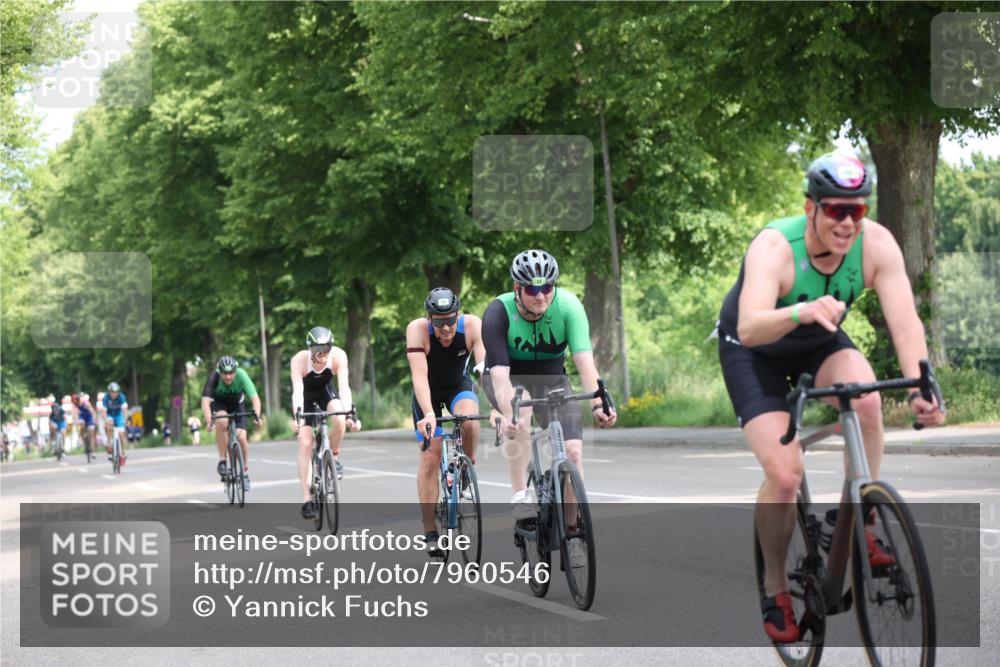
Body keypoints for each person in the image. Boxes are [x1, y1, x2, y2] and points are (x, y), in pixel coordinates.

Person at [716, 152, 947, 643]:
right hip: (754, 349)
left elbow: (906, 322)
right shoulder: (776, 248)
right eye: (836, 210)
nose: (847, 222)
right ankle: (775, 585)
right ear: (811, 208)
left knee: (865, 401)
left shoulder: (877, 245)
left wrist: (922, 385)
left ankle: (860, 516)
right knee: (783, 473)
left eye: (857, 211)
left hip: (818, 339)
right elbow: (751, 326)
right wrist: (799, 310)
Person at [481, 249, 617, 566]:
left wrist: (599, 401)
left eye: (547, 288)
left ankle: (573, 532)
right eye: (532, 289)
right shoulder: (498, 312)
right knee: (521, 410)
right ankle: (520, 494)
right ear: (517, 289)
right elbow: (499, 376)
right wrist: (508, 411)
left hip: (554, 380)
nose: (541, 296)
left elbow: (585, 363)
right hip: (508, 379)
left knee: (573, 452)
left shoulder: (568, 306)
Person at [406, 287, 486, 557]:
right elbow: (419, 377)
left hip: (457, 386)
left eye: (451, 320)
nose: (447, 328)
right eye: (439, 322)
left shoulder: (473, 325)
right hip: (427, 392)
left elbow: (484, 367)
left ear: (458, 315)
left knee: (471, 422)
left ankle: (467, 465)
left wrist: (498, 404)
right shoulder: (417, 330)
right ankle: (430, 530)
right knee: (431, 455)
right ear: (429, 319)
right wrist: (428, 414)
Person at [290, 326, 360, 520]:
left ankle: (334, 457)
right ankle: (307, 499)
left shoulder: (338, 356)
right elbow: (297, 391)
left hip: (325, 392)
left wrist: (349, 415)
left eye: (325, 350)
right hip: (305, 396)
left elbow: (344, 388)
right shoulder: (299, 360)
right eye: (317, 351)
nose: (321, 355)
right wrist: (298, 417)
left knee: (339, 420)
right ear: (310, 349)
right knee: (305, 442)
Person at [201, 356, 261, 492]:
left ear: (235, 370)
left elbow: (255, 398)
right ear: (219, 371)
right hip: (219, 403)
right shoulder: (214, 377)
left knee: (242, 438)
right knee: (222, 421)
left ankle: (245, 472)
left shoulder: (241, 375)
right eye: (225, 373)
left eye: (231, 373)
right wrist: (209, 421)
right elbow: (205, 402)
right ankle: (222, 460)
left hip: (237, 404)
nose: (228, 377)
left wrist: (257, 416)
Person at [102, 383, 129, 465]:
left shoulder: (121, 397)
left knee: (121, 434)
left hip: (118, 415)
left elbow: (124, 409)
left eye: (116, 392)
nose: (114, 394)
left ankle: (122, 453)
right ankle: (109, 444)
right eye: (112, 392)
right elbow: (104, 411)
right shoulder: (106, 398)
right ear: (109, 392)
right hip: (110, 415)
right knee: (109, 423)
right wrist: (106, 420)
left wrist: (126, 419)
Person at [71, 393, 98, 461]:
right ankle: (81, 438)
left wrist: (94, 419)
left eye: (76, 402)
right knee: (81, 424)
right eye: (74, 402)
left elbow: (92, 411)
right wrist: (76, 421)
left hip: (89, 417)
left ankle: (93, 451)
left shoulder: (85, 403)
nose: (76, 403)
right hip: (82, 417)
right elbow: (75, 415)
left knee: (91, 433)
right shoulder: (74, 406)